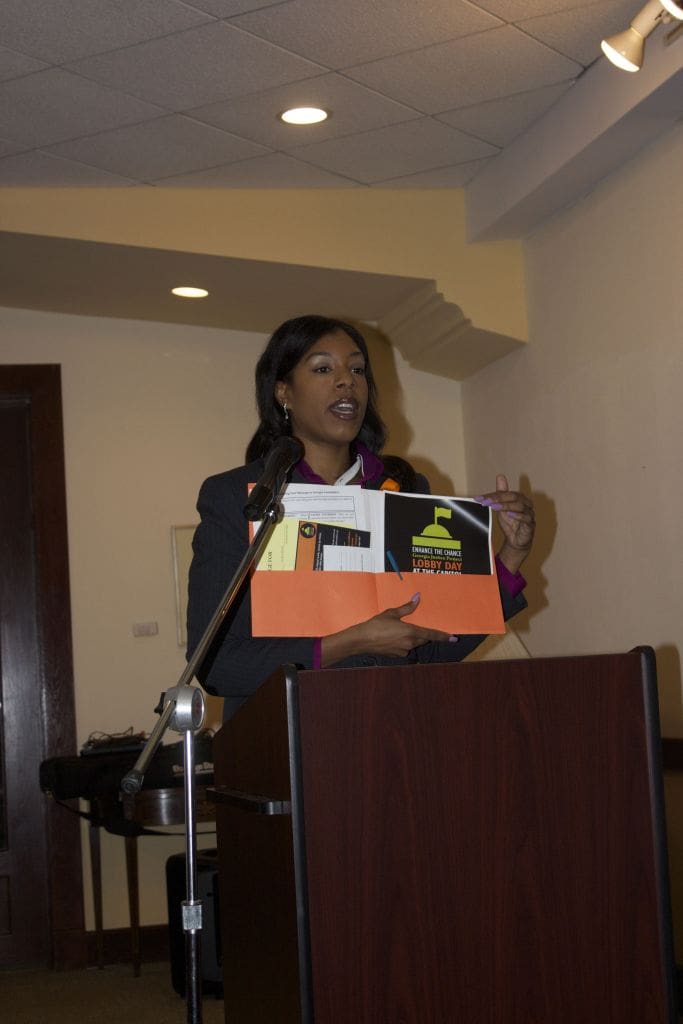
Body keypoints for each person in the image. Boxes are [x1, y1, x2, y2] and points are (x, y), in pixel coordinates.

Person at [187, 315, 535, 720]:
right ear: (284, 392)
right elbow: (217, 665)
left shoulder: (404, 489)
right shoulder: (237, 497)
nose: (346, 381)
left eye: (356, 370)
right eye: (323, 369)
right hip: (285, 735)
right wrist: (349, 642)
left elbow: (434, 648)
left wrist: (512, 555)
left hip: (394, 733)